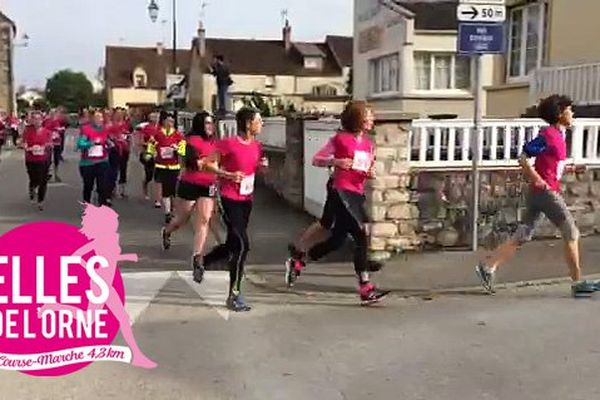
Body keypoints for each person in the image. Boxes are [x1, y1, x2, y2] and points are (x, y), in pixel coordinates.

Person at [476, 94, 595, 297]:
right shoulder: (548, 135)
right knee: (571, 232)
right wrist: (536, 178)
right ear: (559, 114)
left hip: (539, 193)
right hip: (546, 193)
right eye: (569, 109)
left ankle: (488, 267)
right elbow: (523, 156)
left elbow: (552, 166)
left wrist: (572, 168)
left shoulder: (559, 135)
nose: (573, 113)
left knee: (522, 235)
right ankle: (577, 282)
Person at [284, 101, 389, 305]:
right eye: (368, 115)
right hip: (341, 191)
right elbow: (317, 159)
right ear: (357, 118)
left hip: (356, 193)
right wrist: (336, 162)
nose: (372, 118)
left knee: (337, 240)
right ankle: (366, 287)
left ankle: (299, 261)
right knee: (360, 234)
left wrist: (370, 173)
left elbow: (368, 169)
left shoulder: (368, 144)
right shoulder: (340, 140)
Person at [202, 107, 268, 312]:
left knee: (233, 242)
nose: (262, 124)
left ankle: (205, 261)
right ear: (248, 124)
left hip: (246, 198)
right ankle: (234, 295)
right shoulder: (228, 144)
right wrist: (228, 174)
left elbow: (254, 167)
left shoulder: (257, 146)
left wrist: (262, 166)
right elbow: (207, 164)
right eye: (259, 121)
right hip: (228, 197)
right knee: (241, 245)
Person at [161, 111, 224, 283]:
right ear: (199, 125)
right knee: (181, 219)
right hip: (189, 184)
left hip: (208, 186)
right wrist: (206, 163)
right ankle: (167, 232)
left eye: (212, 123)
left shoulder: (215, 143)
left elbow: (219, 161)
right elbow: (192, 163)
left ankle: (197, 258)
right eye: (207, 123)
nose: (210, 127)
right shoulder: (190, 141)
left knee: (204, 220)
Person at [146, 112, 185, 223]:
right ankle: (167, 212)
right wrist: (150, 154)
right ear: (164, 122)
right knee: (165, 190)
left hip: (174, 166)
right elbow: (151, 144)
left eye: (172, 121)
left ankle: (174, 209)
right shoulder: (158, 133)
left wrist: (177, 148)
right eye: (168, 121)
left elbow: (183, 150)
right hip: (161, 165)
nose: (170, 123)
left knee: (174, 191)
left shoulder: (178, 135)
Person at [77, 110, 110, 206]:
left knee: (102, 185)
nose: (99, 120)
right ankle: (86, 203)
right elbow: (80, 144)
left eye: (100, 117)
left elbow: (107, 140)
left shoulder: (105, 129)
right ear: (92, 119)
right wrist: (90, 143)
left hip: (102, 161)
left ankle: (102, 205)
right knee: (88, 185)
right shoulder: (86, 129)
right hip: (88, 162)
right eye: (96, 118)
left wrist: (109, 143)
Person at [22, 111, 52, 211]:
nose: (37, 121)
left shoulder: (47, 132)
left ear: (42, 120)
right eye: (34, 119)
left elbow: (50, 143)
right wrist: (26, 147)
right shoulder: (27, 131)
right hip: (31, 159)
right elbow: (23, 142)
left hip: (43, 159)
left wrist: (44, 147)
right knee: (34, 178)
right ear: (32, 120)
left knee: (43, 180)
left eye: (39, 119)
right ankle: (32, 188)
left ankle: (40, 201)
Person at [108, 109, 133, 199]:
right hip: (115, 150)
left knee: (123, 169)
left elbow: (129, 137)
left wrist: (129, 147)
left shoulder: (126, 125)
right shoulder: (111, 125)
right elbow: (108, 137)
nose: (119, 116)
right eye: (117, 114)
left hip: (125, 150)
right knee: (113, 170)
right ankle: (112, 188)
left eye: (121, 114)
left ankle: (122, 189)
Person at [137, 112, 160, 201]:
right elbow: (140, 142)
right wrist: (149, 143)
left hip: (158, 154)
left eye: (157, 117)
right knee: (149, 175)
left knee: (158, 175)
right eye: (154, 117)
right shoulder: (146, 128)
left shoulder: (160, 128)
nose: (156, 118)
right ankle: (145, 190)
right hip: (148, 153)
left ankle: (157, 197)